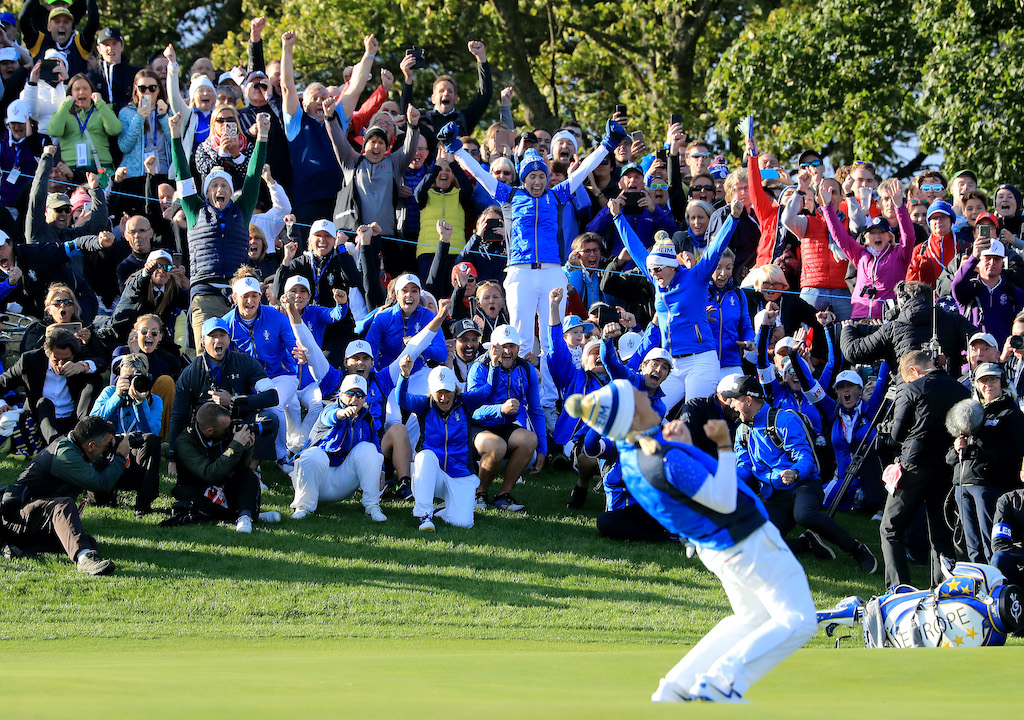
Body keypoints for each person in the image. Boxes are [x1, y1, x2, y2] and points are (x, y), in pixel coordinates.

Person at [564, 379, 816, 703]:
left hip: (722, 546)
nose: (644, 397)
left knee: (751, 619)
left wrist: (684, 444)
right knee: (799, 620)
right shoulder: (663, 457)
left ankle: (676, 686)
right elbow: (723, 498)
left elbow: (687, 483)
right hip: (744, 539)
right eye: (637, 398)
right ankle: (722, 681)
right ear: (632, 416)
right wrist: (724, 445)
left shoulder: (636, 457)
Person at [720, 373, 878, 572]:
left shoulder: (784, 419)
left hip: (804, 486)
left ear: (749, 400)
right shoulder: (742, 431)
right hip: (775, 496)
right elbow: (744, 468)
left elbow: (805, 457)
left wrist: (795, 472)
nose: (732, 405)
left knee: (804, 515)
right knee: (756, 544)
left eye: (735, 400)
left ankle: (856, 549)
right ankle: (806, 543)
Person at [613, 194, 742, 407]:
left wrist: (733, 219)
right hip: (671, 363)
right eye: (650, 270)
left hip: (701, 360)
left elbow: (716, 248)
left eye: (657, 269)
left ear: (671, 266)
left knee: (692, 417)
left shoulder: (696, 276)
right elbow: (635, 249)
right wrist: (618, 217)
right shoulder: (658, 279)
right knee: (651, 413)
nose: (652, 274)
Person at [168, 107, 269, 349]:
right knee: (208, 353)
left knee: (240, 356)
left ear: (231, 191)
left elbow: (254, 175)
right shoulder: (194, 210)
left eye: (224, 185)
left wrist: (263, 136)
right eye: (214, 186)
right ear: (206, 192)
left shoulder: (242, 209)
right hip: (204, 295)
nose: (220, 189)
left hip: (237, 296)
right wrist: (174, 135)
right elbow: (182, 174)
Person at [880, 350, 970, 588]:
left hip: (915, 464)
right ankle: (944, 589)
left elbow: (897, 432)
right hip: (946, 466)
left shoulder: (913, 388)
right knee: (941, 532)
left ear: (914, 370)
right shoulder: (961, 390)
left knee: (890, 528)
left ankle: (898, 588)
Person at [167, 318, 279, 475]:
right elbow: (178, 416)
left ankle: (252, 470)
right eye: (212, 336)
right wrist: (172, 457)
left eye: (222, 335)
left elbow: (272, 396)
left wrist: (234, 401)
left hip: (241, 422)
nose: (218, 340)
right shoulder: (191, 372)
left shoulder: (245, 362)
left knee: (269, 419)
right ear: (203, 341)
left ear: (229, 339)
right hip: (209, 429)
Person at [397, 359, 491, 530]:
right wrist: (404, 375)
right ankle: (425, 515)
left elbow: (488, 391)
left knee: (463, 523)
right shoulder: (425, 404)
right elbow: (402, 400)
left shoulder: (465, 402)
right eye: (438, 392)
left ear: (455, 389)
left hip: (460, 474)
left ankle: (442, 509)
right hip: (433, 474)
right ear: (431, 391)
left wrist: (496, 366)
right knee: (424, 456)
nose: (443, 397)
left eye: (447, 391)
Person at [944, 363, 1024, 564]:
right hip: (961, 483)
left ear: (1002, 382)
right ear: (977, 385)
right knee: (971, 542)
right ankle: (976, 578)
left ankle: (996, 578)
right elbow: (949, 458)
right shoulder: (969, 411)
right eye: (983, 381)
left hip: (990, 485)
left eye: (993, 379)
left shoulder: (1011, 413)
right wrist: (956, 448)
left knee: (990, 541)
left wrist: (980, 436)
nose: (988, 385)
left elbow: (1012, 453)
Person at [466, 324, 544, 511]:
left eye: (512, 346)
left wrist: (542, 448)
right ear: (493, 347)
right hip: (478, 426)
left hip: (505, 425)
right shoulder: (479, 367)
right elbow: (472, 409)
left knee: (529, 440)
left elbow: (535, 410)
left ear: (518, 348)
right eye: (502, 346)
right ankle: (480, 493)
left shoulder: (526, 369)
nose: (507, 351)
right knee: (497, 446)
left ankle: (503, 495)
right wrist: (500, 409)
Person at [290, 374, 386, 522]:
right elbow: (330, 417)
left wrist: (382, 471)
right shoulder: (329, 409)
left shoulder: (368, 419)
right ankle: (303, 507)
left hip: (343, 479)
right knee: (314, 455)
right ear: (340, 394)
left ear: (365, 398)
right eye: (350, 394)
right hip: (317, 477)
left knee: (368, 449)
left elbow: (376, 449)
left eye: (359, 395)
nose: (354, 399)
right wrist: (341, 414)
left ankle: (372, 506)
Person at [171, 401, 279, 533]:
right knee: (198, 504)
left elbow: (238, 468)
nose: (230, 429)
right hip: (198, 490)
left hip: (223, 486)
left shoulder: (224, 434)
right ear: (210, 431)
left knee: (246, 473)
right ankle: (246, 515)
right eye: (226, 428)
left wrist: (246, 449)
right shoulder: (185, 443)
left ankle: (244, 516)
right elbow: (210, 474)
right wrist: (235, 445)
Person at [0, 326, 102, 444]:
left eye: (66, 360)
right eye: (56, 360)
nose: (60, 365)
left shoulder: (80, 358)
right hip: (40, 420)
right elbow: (3, 382)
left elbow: (102, 361)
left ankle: (81, 437)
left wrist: (83, 366)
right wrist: (1, 403)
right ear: (48, 354)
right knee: (44, 403)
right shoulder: (30, 360)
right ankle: (57, 445)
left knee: (94, 381)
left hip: (73, 418)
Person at [46, 72, 121, 181]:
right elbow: (54, 131)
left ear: (92, 92)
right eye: (77, 89)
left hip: (100, 167)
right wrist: (65, 104)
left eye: (85, 88)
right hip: (71, 168)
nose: (81, 92)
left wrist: (100, 103)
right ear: (71, 93)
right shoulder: (64, 113)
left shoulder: (101, 110)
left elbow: (115, 130)